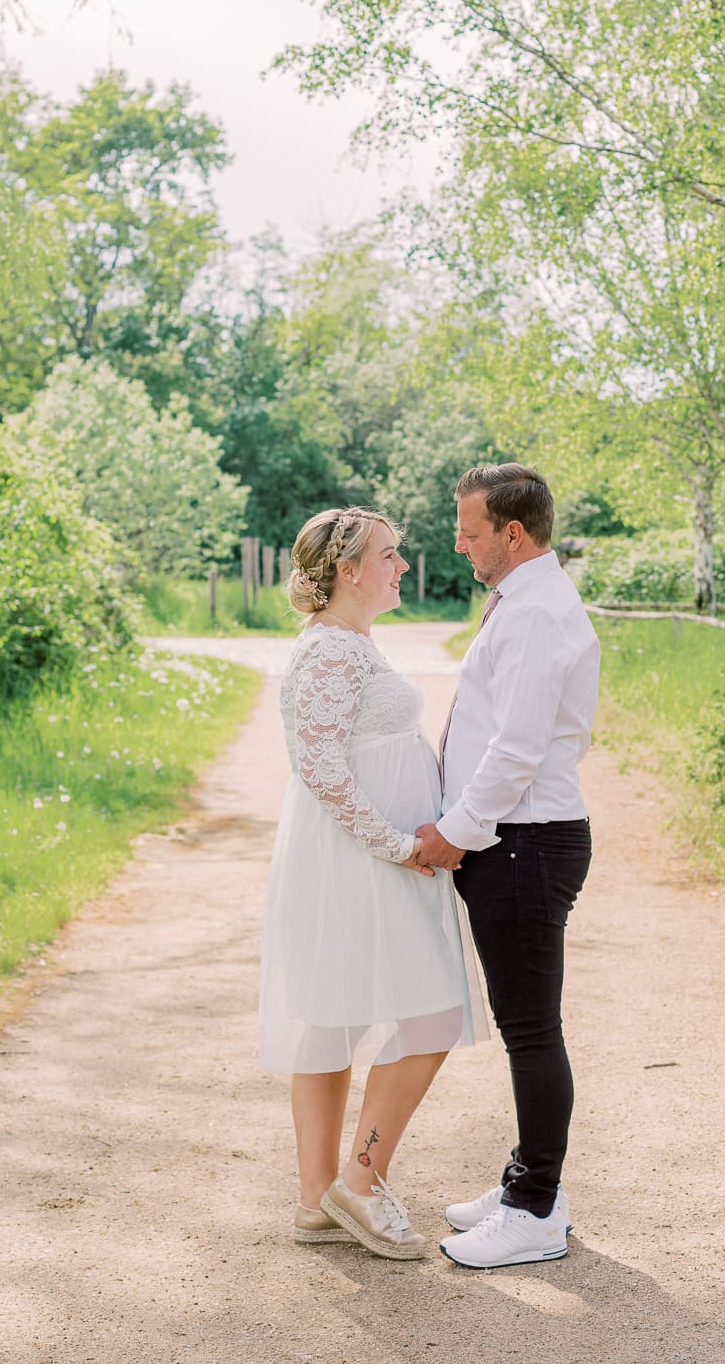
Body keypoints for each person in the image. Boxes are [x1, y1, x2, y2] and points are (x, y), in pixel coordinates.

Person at [259, 505, 486, 1261]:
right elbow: (318, 765)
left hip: (364, 861)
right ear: (348, 571)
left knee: (336, 1019)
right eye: (390, 555)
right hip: (356, 862)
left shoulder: (351, 642)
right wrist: (396, 844)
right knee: (428, 1014)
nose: (402, 565)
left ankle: (318, 1198)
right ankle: (358, 1177)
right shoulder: (329, 649)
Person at [415, 464, 600, 1270]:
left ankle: (536, 1208)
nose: (460, 544)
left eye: (469, 530)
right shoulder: (527, 602)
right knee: (526, 1024)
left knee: (529, 1028)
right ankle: (529, 1178)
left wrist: (456, 830)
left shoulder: (535, 614)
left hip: (523, 841)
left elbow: (517, 747)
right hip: (519, 838)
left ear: (512, 534)